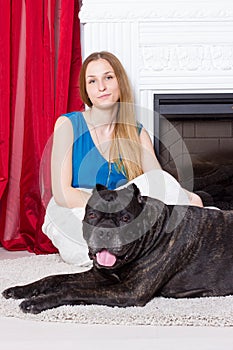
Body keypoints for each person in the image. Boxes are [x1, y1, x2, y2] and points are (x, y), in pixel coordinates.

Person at [42, 51, 203, 265]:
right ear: (86, 90)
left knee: (165, 189)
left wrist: (189, 197)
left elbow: (158, 183)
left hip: (121, 213)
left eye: (108, 77)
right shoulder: (68, 125)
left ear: (120, 82)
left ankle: (197, 225)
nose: (101, 87)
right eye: (93, 81)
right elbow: (62, 194)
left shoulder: (137, 132)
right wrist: (107, 208)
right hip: (78, 207)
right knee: (82, 249)